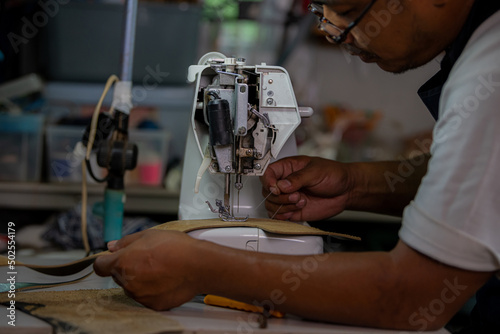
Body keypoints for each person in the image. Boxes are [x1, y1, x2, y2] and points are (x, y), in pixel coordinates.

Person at [94, 0, 500, 331]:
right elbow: (483, 190)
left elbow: (412, 298)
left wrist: (200, 269)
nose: (332, 31)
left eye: (347, 7)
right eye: (320, 11)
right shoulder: (482, 43)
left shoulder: (491, 68)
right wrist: (355, 185)